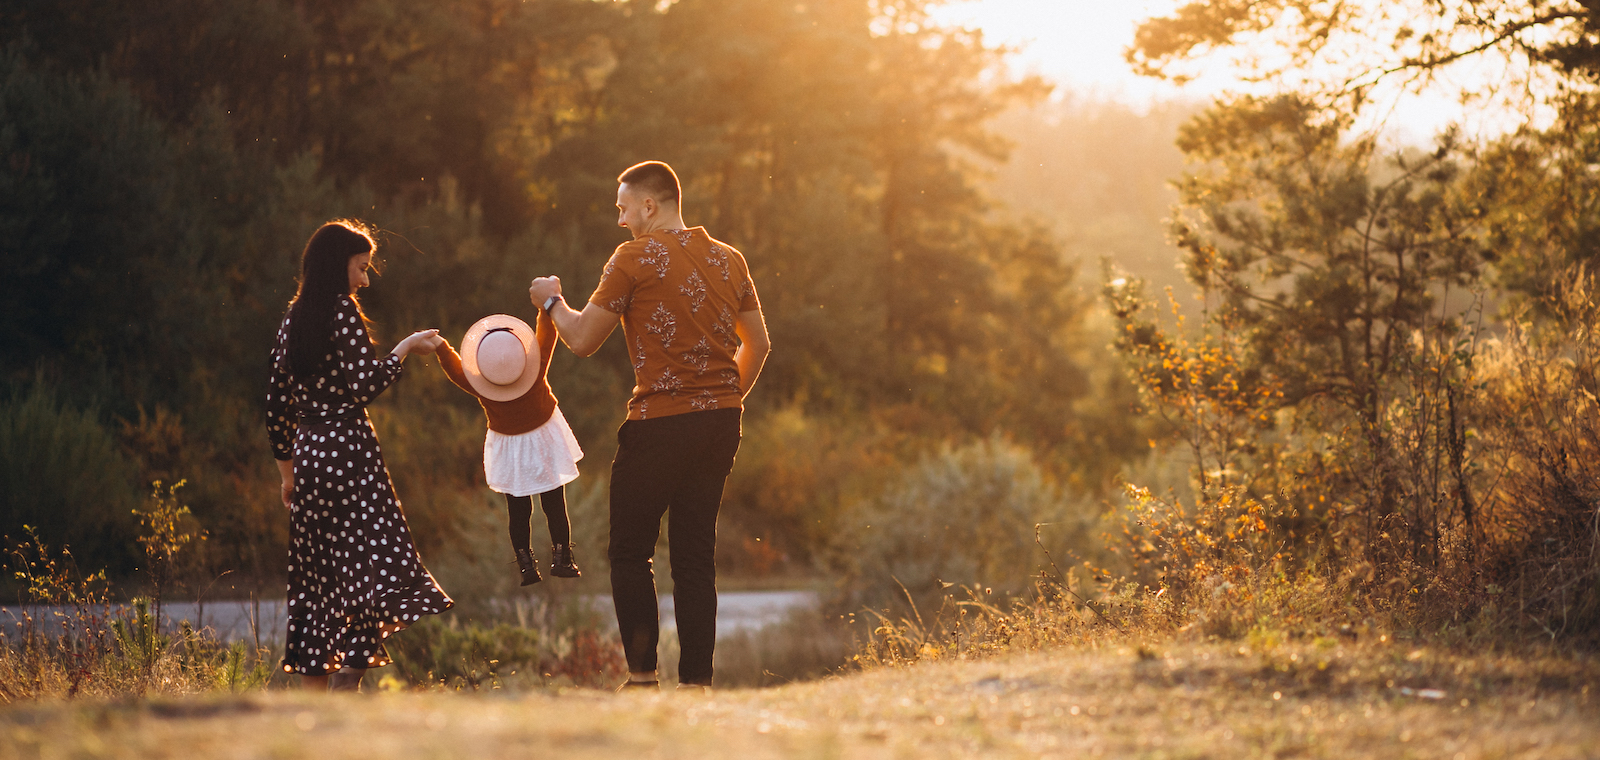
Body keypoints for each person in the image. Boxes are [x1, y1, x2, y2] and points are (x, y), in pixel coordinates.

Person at [528, 160, 770, 690]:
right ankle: (696, 686)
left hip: (659, 423)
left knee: (629, 551)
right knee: (693, 555)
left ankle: (641, 679)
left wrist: (550, 300)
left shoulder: (633, 257)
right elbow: (761, 343)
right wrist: (722, 399)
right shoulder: (730, 259)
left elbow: (583, 339)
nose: (620, 220)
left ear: (649, 206)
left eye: (622, 208)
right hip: (721, 424)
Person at [265, 220, 454, 692]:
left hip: (309, 455)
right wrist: (408, 346)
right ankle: (347, 681)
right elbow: (366, 384)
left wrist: (288, 474)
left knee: (317, 577)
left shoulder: (293, 317)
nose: (364, 280)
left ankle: (315, 698)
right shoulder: (341, 310)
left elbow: (276, 404)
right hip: (349, 452)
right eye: (361, 268)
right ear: (338, 265)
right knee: (367, 565)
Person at [434, 312, 584, 585]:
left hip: (509, 445)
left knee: (518, 510)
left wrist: (442, 347)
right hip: (543, 439)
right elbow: (547, 337)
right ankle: (563, 559)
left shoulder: (483, 385)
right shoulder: (535, 368)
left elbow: (456, 371)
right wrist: (545, 309)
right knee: (554, 503)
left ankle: (526, 566)